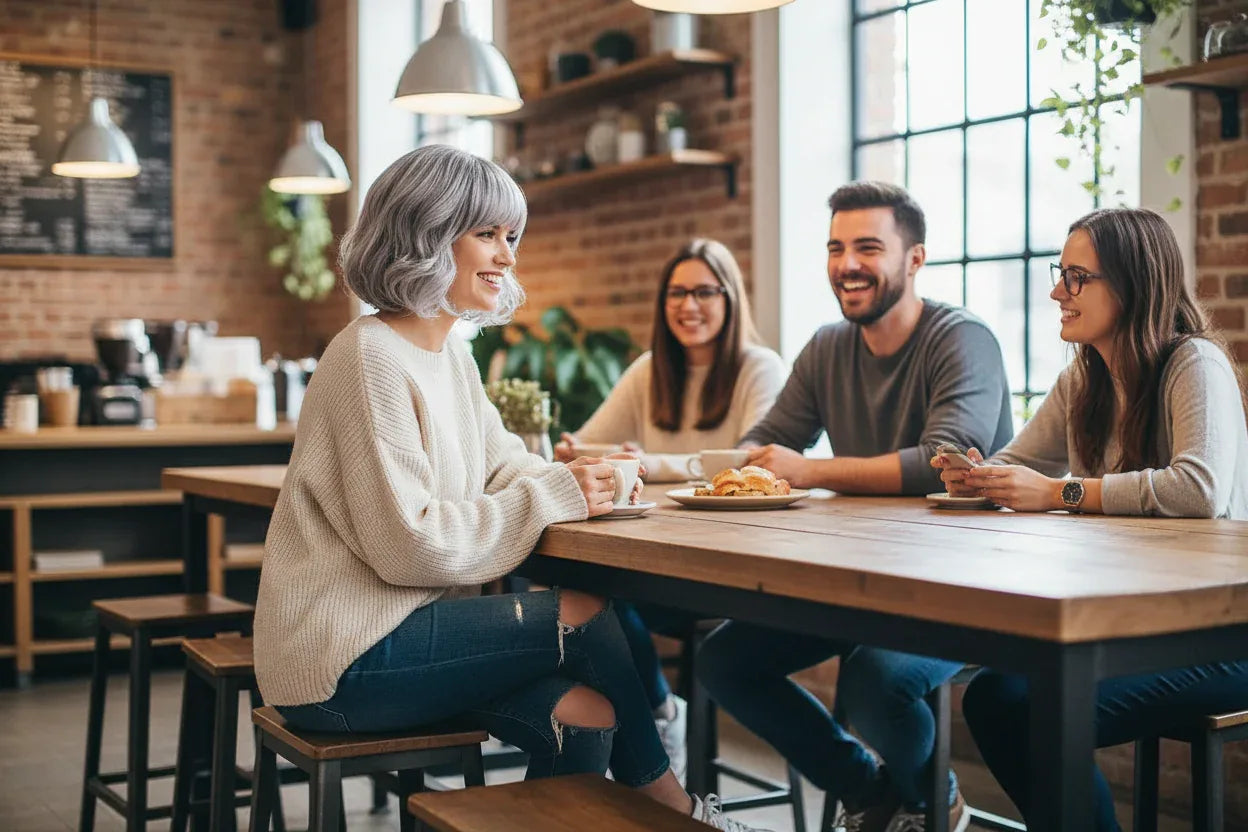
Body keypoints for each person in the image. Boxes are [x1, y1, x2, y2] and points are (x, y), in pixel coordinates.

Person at [252, 145, 768, 832]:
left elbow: (502, 464)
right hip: (339, 661)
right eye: (488, 234)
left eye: (511, 237)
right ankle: (676, 809)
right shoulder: (369, 357)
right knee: (583, 609)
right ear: (427, 235)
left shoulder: (449, 358)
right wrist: (556, 493)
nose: (507, 256)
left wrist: (580, 481)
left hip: (402, 638)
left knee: (591, 716)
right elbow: (413, 546)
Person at [696, 181, 1015, 832]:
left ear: (915, 259)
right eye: (836, 247)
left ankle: (931, 801)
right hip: (869, 580)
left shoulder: (963, 339)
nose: (847, 264)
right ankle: (873, 791)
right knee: (724, 662)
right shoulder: (827, 346)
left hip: (969, 581)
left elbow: (942, 461)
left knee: (875, 682)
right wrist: (723, 468)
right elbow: (768, 440)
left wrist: (807, 470)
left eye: (868, 247)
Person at [934, 207, 1248, 831]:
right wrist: (977, 476)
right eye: (1061, 273)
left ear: (1131, 285)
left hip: (1223, 635)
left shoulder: (1194, 364)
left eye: (1076, 277)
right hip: (1139, 624)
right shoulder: (1085, 379)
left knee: (1029, 708)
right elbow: (1017, 463)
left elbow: (1199, 490)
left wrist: (1059, 493)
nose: (1057, 291)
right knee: (998, 698)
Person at [553, 238, 787, 779]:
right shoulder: (650, 369)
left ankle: (652, 727)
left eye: (705, 291)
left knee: (603, 593)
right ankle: (659, 711)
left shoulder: (759, 368)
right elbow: (593, 442)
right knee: (588, 589)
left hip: (734, 571)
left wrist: (647, 463)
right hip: (658, 565)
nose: (690, 305)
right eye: (677, 292)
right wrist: (576, 454)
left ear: (730, 300)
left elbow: (752, 464)